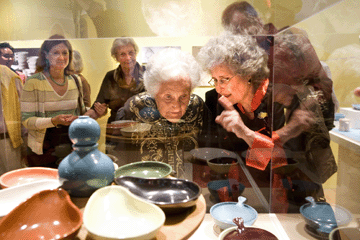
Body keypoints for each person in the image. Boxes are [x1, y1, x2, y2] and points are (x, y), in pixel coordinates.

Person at [197, 32, 336, 213]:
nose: (218, 87)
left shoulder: (280, 99)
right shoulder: (218, 101)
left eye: (224, 79)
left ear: (247, 74)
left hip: (290, 196)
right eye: (214, 80)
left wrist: (245, 132)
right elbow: (218, 156)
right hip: (245, 195)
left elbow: (283, 160)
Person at [114, 48, 211, 177]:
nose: (176, 107)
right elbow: (120, 162)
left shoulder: (197, 107)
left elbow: (208, 155)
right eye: (168, 97)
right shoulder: (134, 109)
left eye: (183, 96)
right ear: (155, 92)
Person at [21, 34, 86, 168]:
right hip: (42, 149)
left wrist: (85, 116)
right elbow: (27, 120)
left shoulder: (75, 80)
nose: (61, 57)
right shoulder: (33, 82)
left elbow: (81, 112)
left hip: (71, 145)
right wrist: (53, 121)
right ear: (46, 55)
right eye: (56, 52)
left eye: (65, 53)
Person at [85, 37, 145, 123]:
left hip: (142, 129)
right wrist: (83, 118)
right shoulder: (110, 76)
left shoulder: (148, 74)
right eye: (122, 54)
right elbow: (98, 107)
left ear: (136, 53)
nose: (128, 58)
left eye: (131, 53)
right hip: (116, 129)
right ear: (116, 58)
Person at [0, 65, 25, 174]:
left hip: (7, 140)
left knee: (10, 178)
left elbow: (23, 109)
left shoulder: (10, 77)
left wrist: (26, 137)